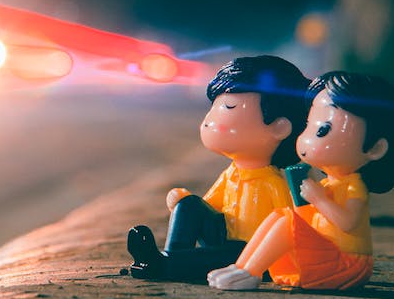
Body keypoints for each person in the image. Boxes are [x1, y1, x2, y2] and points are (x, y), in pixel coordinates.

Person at [207, 71, 394, 291]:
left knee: (289, 222)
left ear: (375, 148)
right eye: (309, 126)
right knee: (280, 215)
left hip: (347, 264)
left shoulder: (354, 187)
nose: (305, 138)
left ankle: (251, 272)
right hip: (326, 254)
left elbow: (347, 223)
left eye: (323, 130)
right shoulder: (329, 184)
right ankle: (242, 266)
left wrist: (318, 199)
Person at [127, 55, 310, 282]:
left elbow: (288, 227)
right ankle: (172, 255)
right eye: (214, 107)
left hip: (252, 252)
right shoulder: (231, 174)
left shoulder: (272, 183)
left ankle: (164, 264)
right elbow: (210, 205)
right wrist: (182, 202)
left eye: (229, 107)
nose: (210, 120)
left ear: (279, 127)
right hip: (222, 237)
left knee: (229, 254)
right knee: (190, 204)